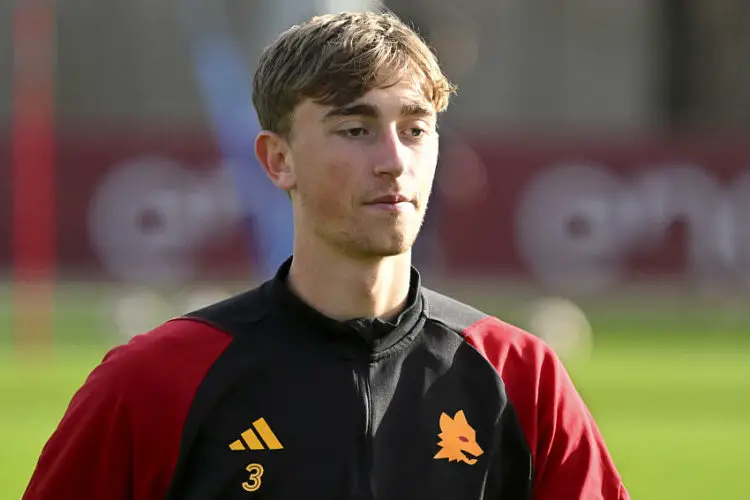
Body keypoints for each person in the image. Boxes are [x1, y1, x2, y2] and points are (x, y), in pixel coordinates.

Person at [24, 11, 628, 500]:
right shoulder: (155, 382)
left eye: (415, 129)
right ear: (277, 160)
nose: (394, 160)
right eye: (356, 129)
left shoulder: (522, 376)